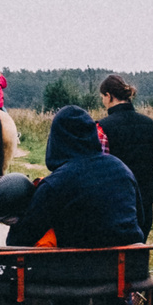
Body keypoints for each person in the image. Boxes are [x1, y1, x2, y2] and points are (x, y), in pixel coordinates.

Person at [9, 105, 140, 248]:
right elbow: (142, 220)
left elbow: (18, 241)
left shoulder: (54, 185)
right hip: (130, 265)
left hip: (75, 268)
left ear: (56, 140)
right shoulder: (122, 169)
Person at [94, 73, 153, 236]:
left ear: (109, 96)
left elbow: (98, 170)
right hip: (144, 205)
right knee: (139, 251)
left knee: (118, 256)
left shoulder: (102, 129)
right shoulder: (150, 126)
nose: (103, 102)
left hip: (115, 206)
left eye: (103, 97)